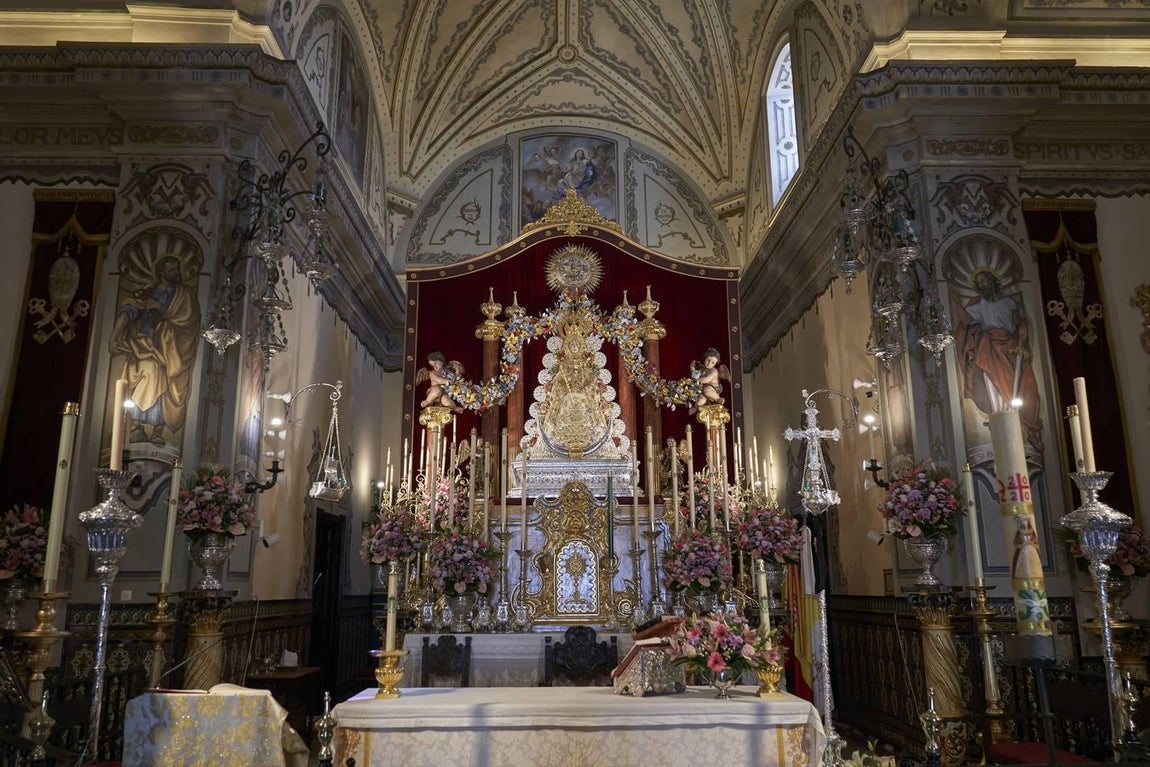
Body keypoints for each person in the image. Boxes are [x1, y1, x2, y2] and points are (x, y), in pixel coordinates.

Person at [108, 255, 200, 444]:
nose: (175, 273)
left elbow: (189, 320)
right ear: (161, 272)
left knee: (160, 381)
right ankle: (136, 425)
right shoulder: (148, 291)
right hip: (143, 345)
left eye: (176, 269)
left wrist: (160, 309)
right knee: (148, 376)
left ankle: (156, 430)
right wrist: (114, 336)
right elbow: (130, 309)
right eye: (171, 269)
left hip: (169, 350)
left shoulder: (184, 294)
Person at [956, 268, 1041, 447]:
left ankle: (1028, 427)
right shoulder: (979, 306)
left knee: (1022, 386)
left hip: (1010, 346)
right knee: (992, 380)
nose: (982, 285)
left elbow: (1022, 324)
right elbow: (965, 321)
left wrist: (1022, 343)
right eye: (978, 283)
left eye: (984, 280)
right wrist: (955, 300)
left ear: (992, 280)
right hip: (990, 347)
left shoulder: (1009, 302)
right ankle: (999, 417)